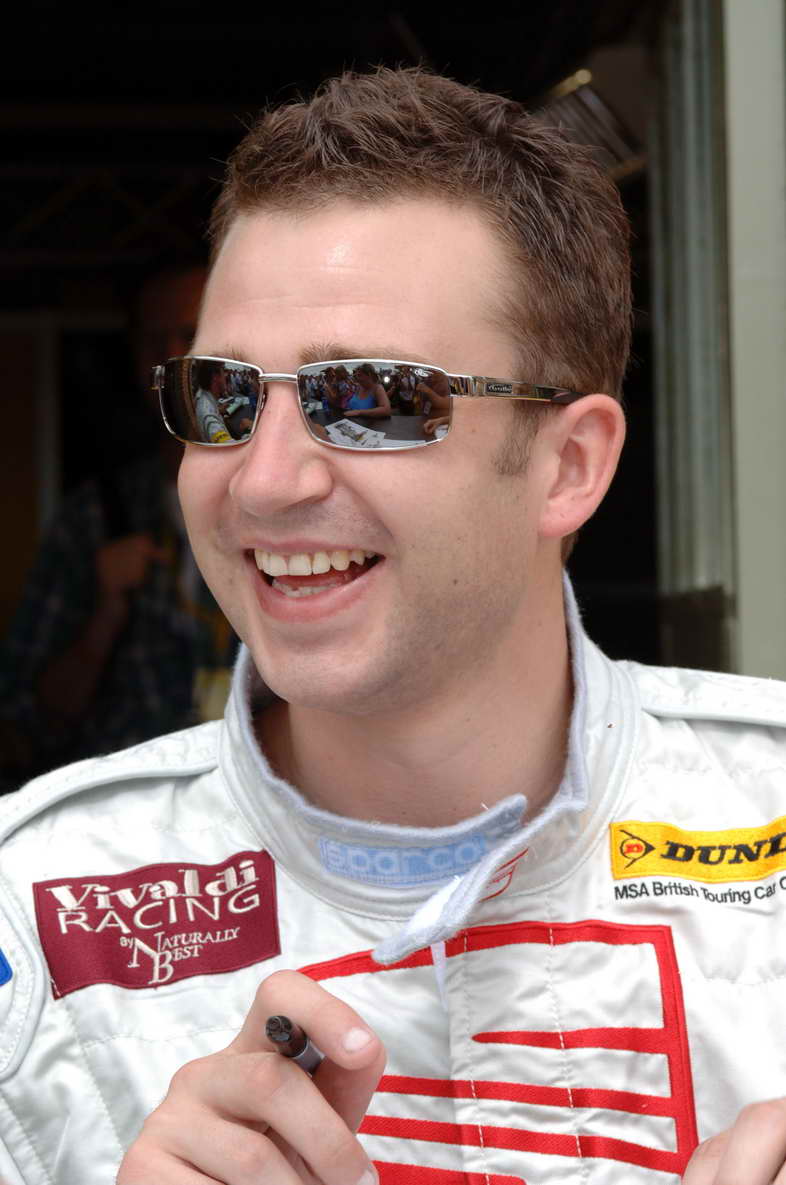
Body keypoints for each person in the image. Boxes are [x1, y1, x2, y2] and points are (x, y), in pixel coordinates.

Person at [0, 67, 784, 1185]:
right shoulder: (33, 917)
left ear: (569, 464)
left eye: (367, 398)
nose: (264, 480)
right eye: (222, 397)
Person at [0, 267, 237, 792]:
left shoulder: (282, 498)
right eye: (156, 342)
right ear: (134, 358)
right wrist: (106, 617)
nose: (174, 361)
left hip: (261, 807)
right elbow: (24, 722)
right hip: (124, 806)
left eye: (194, 338)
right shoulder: (94, 518)